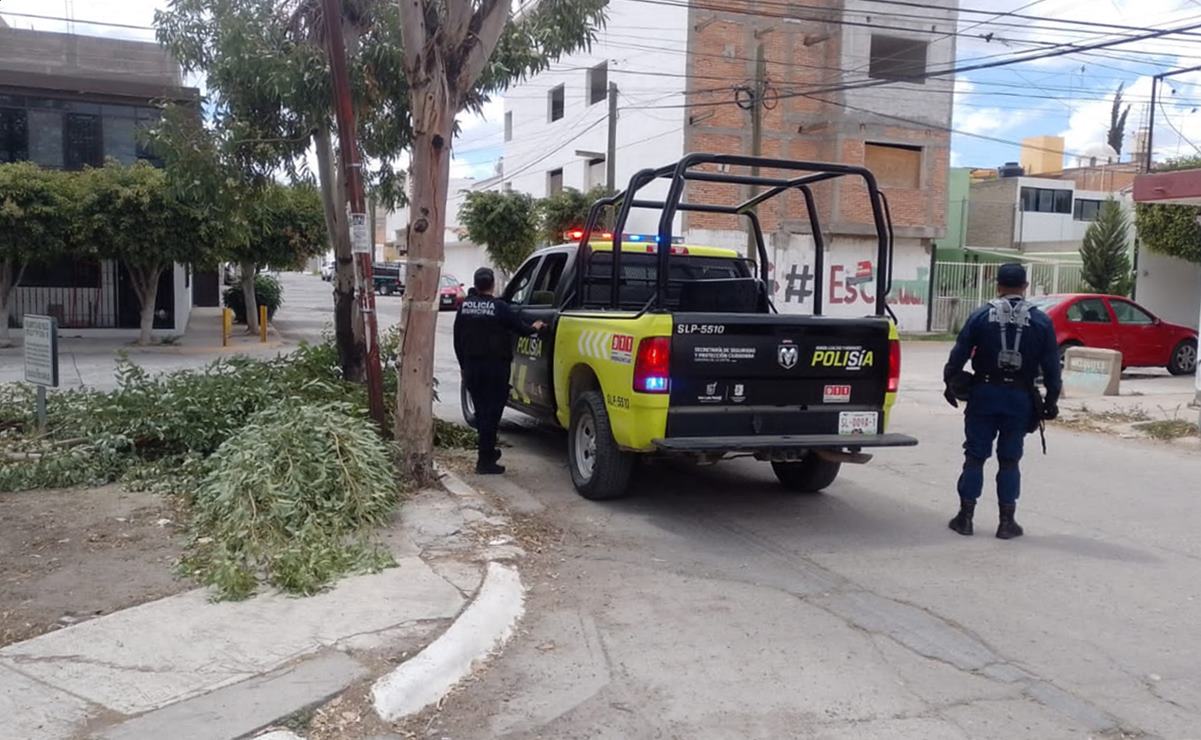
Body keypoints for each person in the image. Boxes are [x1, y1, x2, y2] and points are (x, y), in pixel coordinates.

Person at [942, 263, 1062, 539]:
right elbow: (1053, 369)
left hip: (984, 394)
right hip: (1020, 399)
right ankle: (1006, 523)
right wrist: (1051, 400)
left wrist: (949, 383)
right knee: (1009, 460)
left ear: (998, 285)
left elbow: (958, 355)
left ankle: (965, 518)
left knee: (975, 457)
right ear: (1025, 287)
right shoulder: (1042, 322)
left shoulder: (981, 316)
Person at [454, 267, 545, 475]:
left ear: (476, 284)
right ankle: (485, 461)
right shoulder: (500, 308)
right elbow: (521, 328)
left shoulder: (465, 307)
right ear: (492, 284)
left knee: (481, 412)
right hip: (495, 369)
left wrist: (462, 366)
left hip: (473, 368)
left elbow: (457, 339)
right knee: (491, 415)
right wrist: (536, 327)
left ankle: (486, 454)